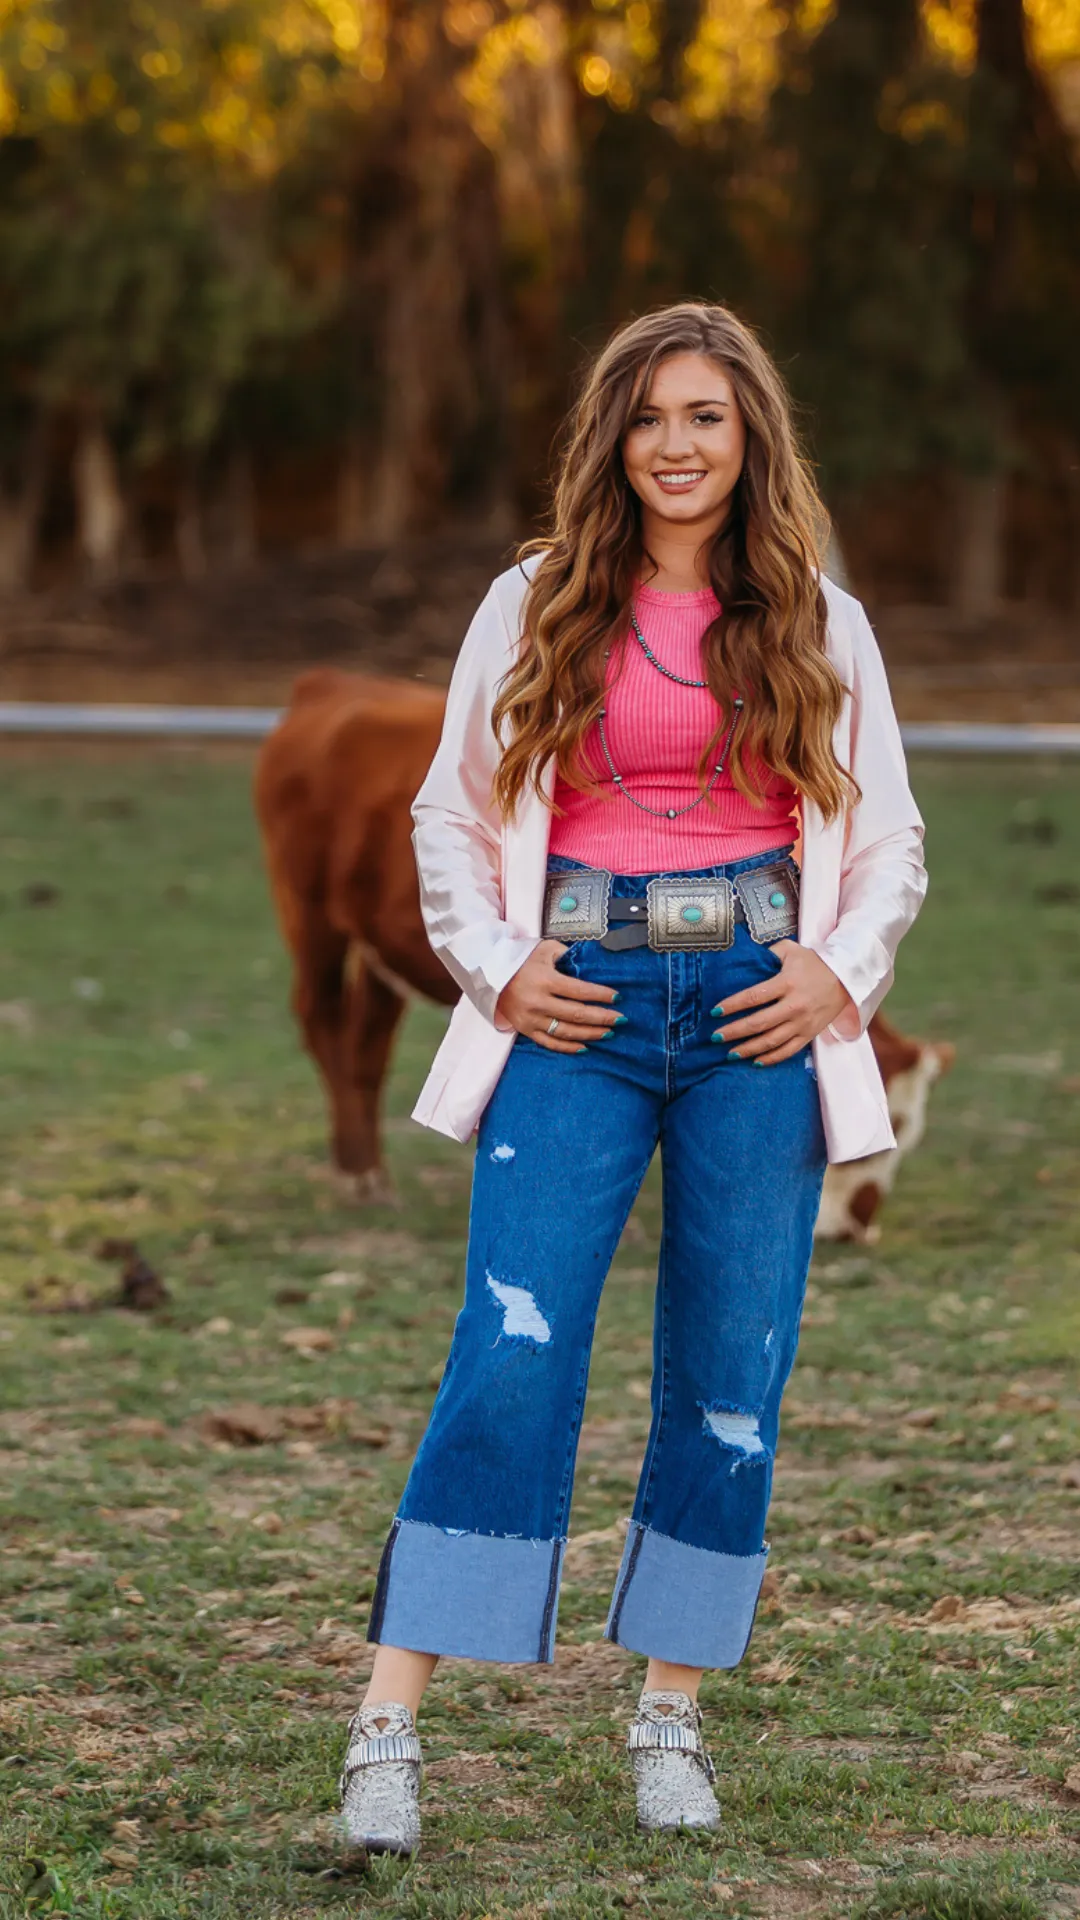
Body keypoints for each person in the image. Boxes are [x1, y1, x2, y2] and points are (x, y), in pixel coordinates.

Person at [336, 302, 926, 1853]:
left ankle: (669, 1709)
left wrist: (834, 973)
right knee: (512, 1350)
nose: (677, 444)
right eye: (652, 416)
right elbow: (450, 812)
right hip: (576, 1008)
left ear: (752, 442)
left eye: (708, 418)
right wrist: (494, 964)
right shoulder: (534, 599)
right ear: (614, 436)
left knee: (734, 1372)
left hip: (754, 1016)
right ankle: (387, 1724)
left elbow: (890, 842)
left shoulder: (819, 619)